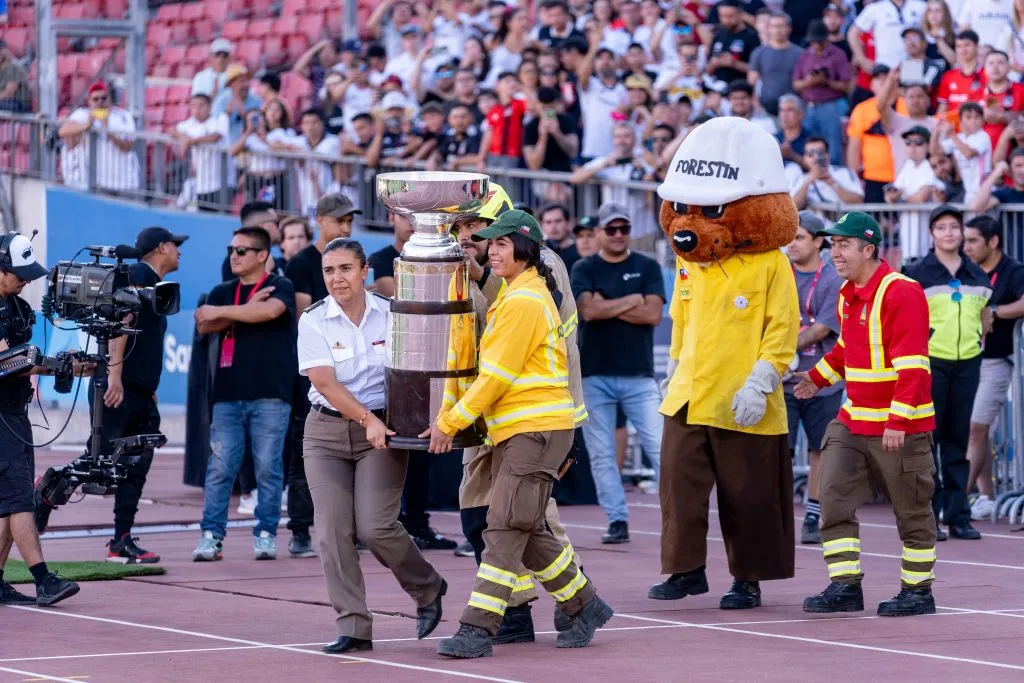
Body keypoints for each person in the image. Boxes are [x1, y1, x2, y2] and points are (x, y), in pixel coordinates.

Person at [427, 210, 614, 659]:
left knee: (505, 526)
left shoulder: (523, 302)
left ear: (526, 249)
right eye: (490, 244)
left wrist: (448, 424)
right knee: (525, 527)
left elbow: (494, 378)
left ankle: (478, 628)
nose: (491, 250)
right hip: (526, 428)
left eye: (502, 244)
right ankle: (585, 605)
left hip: (536, 429)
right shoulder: (516, 295)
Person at [451, 185, 587, 645]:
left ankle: (568, 607)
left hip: (538, 415)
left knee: (529, 520)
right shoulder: (475, 271)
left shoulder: (538, 268)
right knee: (482, 515)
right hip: (491, 417)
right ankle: (527, 608)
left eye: (480, 231)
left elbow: (506, 352)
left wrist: (448, 421)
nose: (472, 239)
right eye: (465, 230)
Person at [297, 237, 446, 653]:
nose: (337, 278)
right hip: (327, 432)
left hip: (384, 431)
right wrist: (366, 419)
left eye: (345, 269)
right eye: (329, 270)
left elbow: (420, 367)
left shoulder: (392, 313)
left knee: (376, 527)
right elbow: (323, 382)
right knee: (331, 531)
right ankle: (354, 626)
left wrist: (427, 417)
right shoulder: (313, 320)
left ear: (365, 271)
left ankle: (428, 587)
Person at [797, 212, 938, 618]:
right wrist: (817, 378)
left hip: (901, 426)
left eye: (842, 244)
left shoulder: (902, 292)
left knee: (912, 511)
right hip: (854, 419)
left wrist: (897, 421)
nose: (833, 252)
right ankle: (845, 586)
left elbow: (914, 367)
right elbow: (846, 352)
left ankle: (918, 591)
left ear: (868, 249)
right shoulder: (846, 292)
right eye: (832, 244)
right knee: (833, 498)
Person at [192, 227, 296, 562]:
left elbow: (268, 312)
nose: (233, 256)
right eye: (231, 250)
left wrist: (225, 312)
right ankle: (211, 535)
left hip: (270, 395)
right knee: (220, 467)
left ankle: (265, 533)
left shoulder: (280, 285)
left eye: (241, 250)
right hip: (227, 395)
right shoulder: (224, 289)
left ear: (262, 255)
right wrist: (238, 310)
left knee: (268, 467)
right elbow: (203, 324)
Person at [571, 202, 664, 544]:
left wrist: (608, 304)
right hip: (594, 374)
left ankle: (676, 513)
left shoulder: (648, 265)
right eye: (611, 229)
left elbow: (653, 315)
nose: (619, 235)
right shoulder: (584, 267)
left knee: (661, 448)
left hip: (639, 376)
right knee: (601, 452)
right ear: (598, 233)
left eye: (624, 228)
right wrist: (631, 300)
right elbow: (588, 311)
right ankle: (616, 519)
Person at [96, 227, 185, 564]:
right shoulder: (136, 274)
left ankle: (120, 541)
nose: (180, 251)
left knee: (138, 464)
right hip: (122, 387)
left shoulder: (154, 282)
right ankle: (46, 493)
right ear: (162, 247)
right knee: (99, 463)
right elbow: (121, 321)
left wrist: (151, 389)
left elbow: (144, 343)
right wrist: (115, 375)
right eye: (176, 245)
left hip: (141, 390)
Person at [0, 233, 81, 607]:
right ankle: (43, 579)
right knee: (18, 501)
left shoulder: (18, 308)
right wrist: (55, 366)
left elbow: (25, 360)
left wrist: (66, 366)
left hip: (15, 413)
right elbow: (7, 362)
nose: (26, 280)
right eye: (19, 274)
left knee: (6, 503)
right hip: (1, 417)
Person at [904, 206, 991, 542]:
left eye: (955, 227)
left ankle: (959, 516)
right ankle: (930, 516)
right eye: (942, 228)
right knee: (930, 440)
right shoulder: (917, 273)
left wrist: (978, 340)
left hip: (968, 363)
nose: (950, 233)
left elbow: (985, 316)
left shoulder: (976, 274)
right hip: (930, 364)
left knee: (957, 440)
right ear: (932, 234)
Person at [784, 212, 843, 545]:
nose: (791, 244)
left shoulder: (833, 279)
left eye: (799, 237)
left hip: (822, 378)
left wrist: (782, 348)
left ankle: (812, 513)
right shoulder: (779, 274)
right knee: (781, 449)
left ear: (818, 241)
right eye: (789, 237)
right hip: (781, 380)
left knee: (820, 449)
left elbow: (822, 327)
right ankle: (779, 516)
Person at [962, 215, 1024, 520]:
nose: (967, 246)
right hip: (965, 358)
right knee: (976, 430)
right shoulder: (966, 271)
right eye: (966, 240)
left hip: (997, 360)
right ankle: (985, 495)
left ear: (993, 241)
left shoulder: (1013, 270)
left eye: (973, 240)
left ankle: (957, 498)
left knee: (976, 426)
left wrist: (995, 312)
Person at [369, 212, 416, 298]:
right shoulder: (378, 260)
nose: (411, 222)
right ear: (391, 218)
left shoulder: (437, 258)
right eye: (404, 215)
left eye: (416, 215)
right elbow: (399, 300)